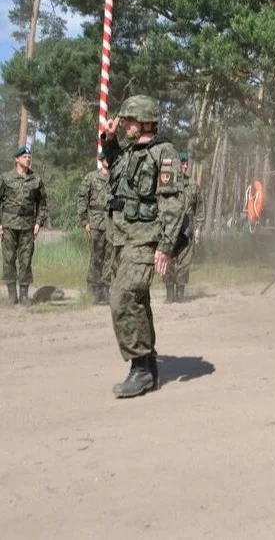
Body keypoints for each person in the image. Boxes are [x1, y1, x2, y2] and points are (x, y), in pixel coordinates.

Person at [100, 96, 181, 398]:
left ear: (147, 121)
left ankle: (141, 370)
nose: (125, 124)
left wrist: (166, 245)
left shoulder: (163, 153)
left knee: (122, 299)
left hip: (145, 239)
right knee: (137, 302)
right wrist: (109, 140)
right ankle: (148, 366)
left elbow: (172, 203)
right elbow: (112, 165)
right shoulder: (130, 152)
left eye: (130, 120)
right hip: (122, 238)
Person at [0, 145, 48, 305]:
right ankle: (12, 295)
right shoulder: (5, 178)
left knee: (26, 260)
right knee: (9, 259)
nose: (28, 158)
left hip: (27, 225)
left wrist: (38, 223)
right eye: (24, 156)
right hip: (9, 225)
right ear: (17, 159)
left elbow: (42, 204)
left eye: (29, 156)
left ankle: (24, 295)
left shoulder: (36, 179)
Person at [168, 153, 205, 303]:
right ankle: (170, 293)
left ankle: (180, 293)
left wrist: (198, 229)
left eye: (186, 164)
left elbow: (199, 209)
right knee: (169, 261)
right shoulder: (168, 184)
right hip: (170, 229)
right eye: (182, 163)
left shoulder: (193, 186)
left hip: (186, 228)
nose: (184, 166)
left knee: (184, 262)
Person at [76, 156, 112, 304]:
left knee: (110, 257)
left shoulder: (116, 177)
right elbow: (82, 198)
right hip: (96, 222)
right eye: (106, 157)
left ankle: (105, 289)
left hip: (111, 222)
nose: (109, 160)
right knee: (96, 257)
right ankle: (93, 290)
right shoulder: (91, 177)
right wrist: (85, 221)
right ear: (101, 159)